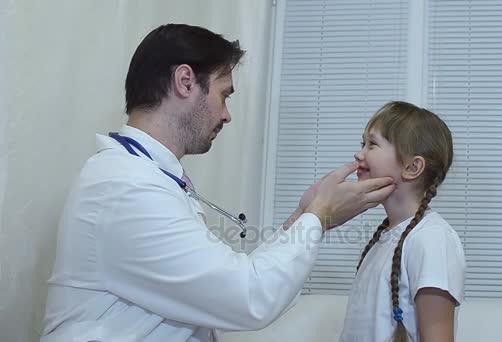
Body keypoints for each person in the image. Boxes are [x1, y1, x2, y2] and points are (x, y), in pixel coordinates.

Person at [41, 24, 395, 342]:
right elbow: (246, 298)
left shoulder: (147, 178)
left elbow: (217, 293)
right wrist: (317, 218)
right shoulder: (127, 188)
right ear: (185, 81)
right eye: (224, 94)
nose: (226, 114)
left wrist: (302, 215)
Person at [339, 101, 466, 342]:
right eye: (362, 144)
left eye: (372, 144)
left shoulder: (433, 239)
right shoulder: (386, 237)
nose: (359, 154)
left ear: (412, 167)